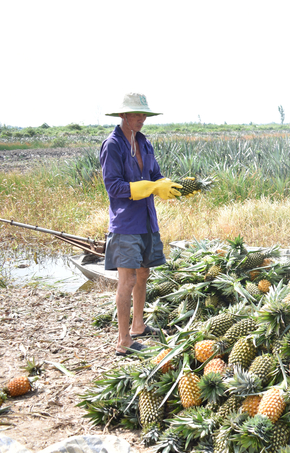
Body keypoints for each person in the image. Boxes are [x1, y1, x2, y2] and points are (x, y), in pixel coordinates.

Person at [100, 93, 182, 356]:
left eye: (144, 114)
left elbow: (156, 176)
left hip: (147, 219)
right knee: (127, 279)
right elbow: (113, 186)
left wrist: (166, 185)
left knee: (144, 274)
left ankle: (138, 325)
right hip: (126, 222)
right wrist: (142, 188)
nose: (142, 119)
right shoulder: (112, 145)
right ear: (123, 115)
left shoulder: (145, 144)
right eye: (137, 114)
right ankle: (123, 341)